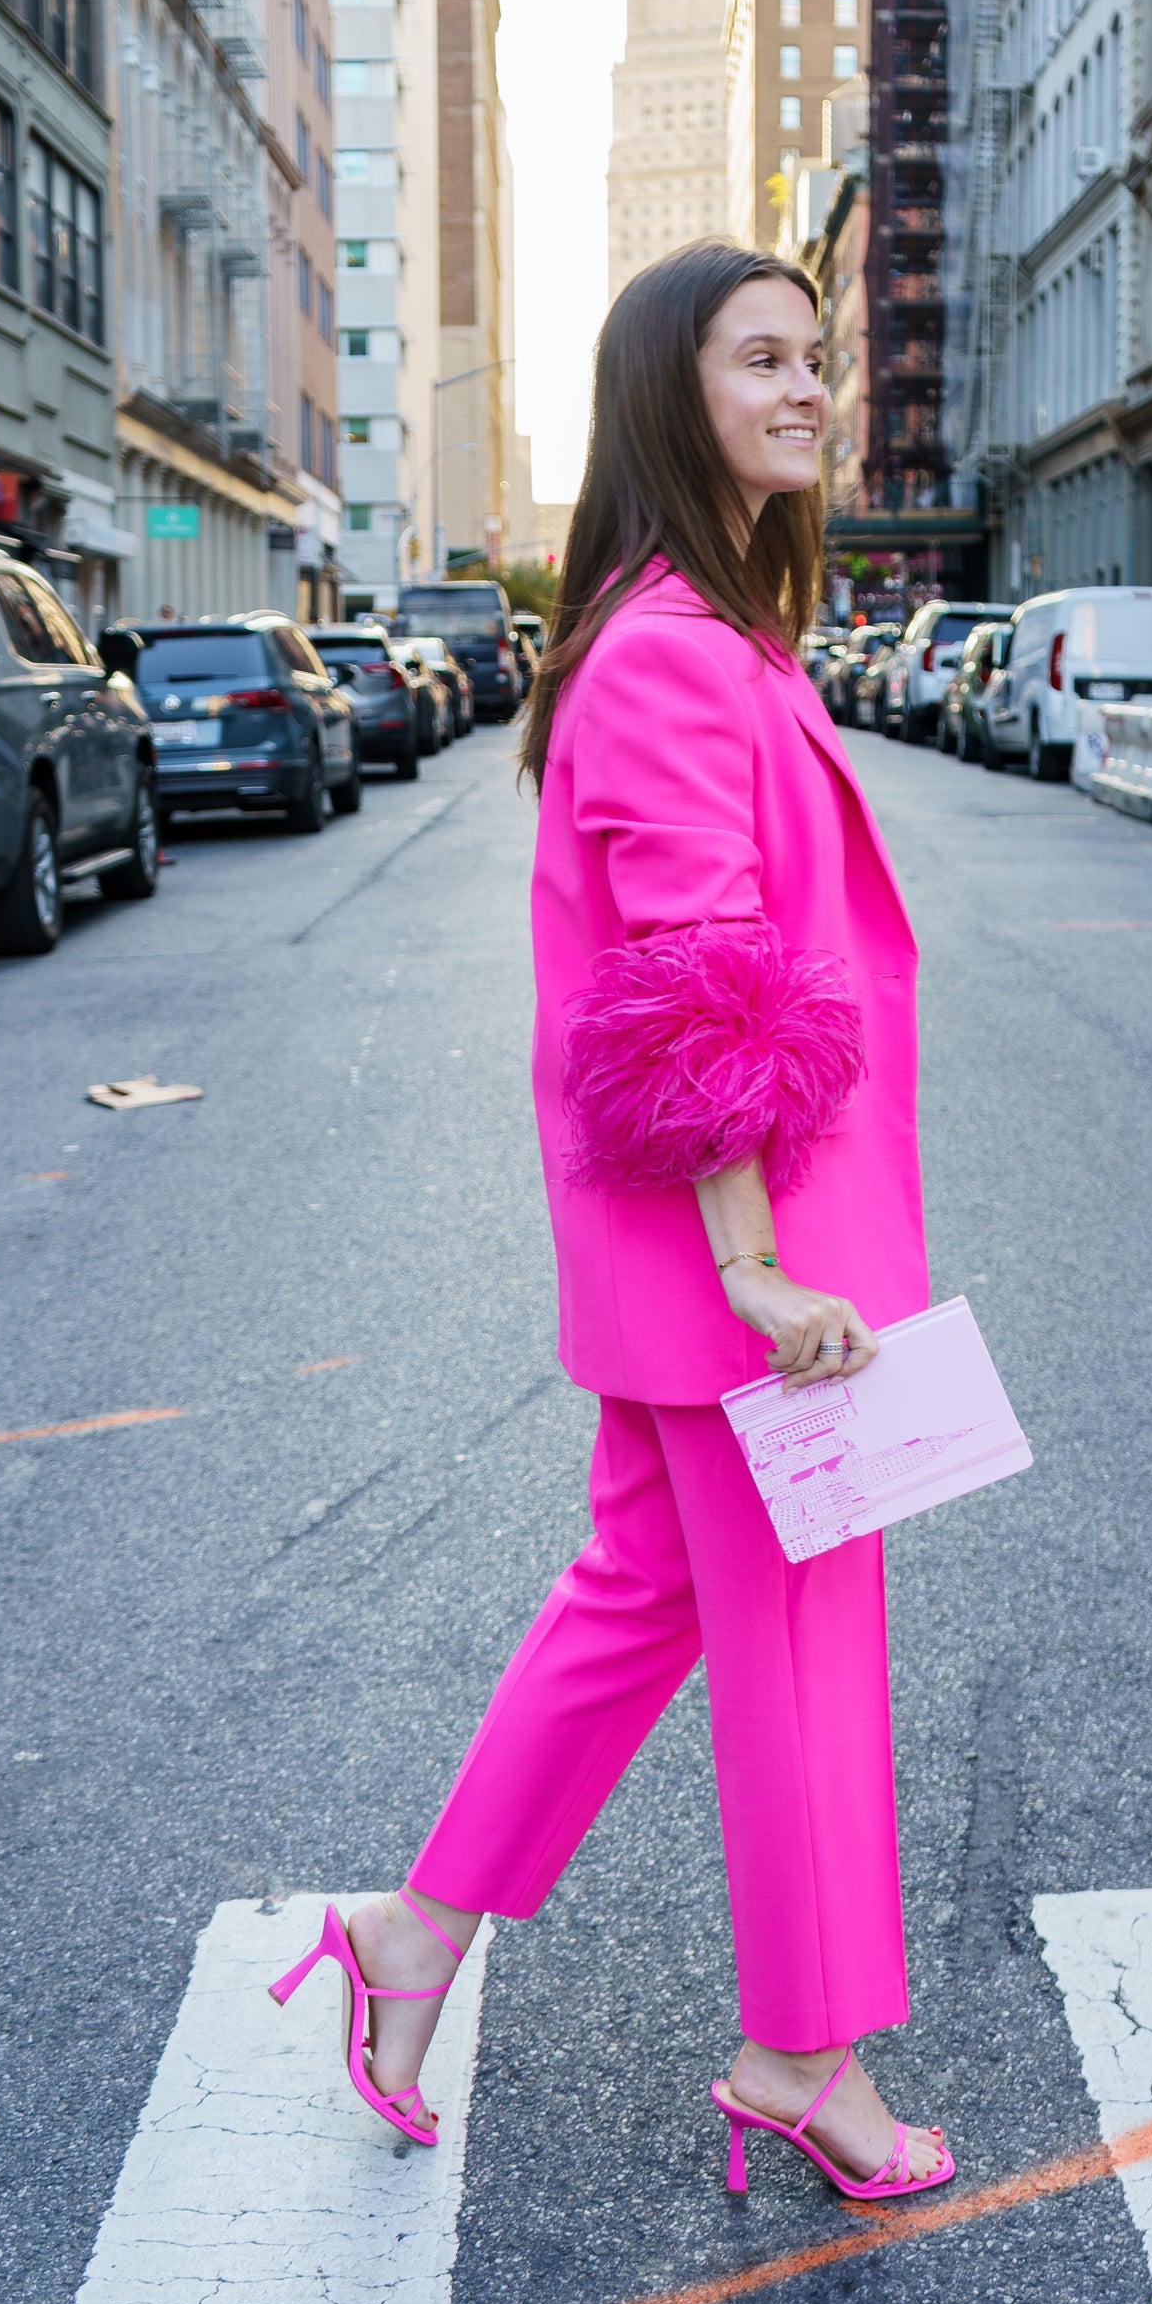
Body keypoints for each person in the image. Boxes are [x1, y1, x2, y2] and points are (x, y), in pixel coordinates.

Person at [270, 240, 951, 2202]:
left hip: (710, 1261)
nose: (810, 386)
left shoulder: (694, 632)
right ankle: (802, 2050)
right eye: (764, 359)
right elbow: (695, 974)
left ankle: (414, 1930)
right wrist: (755, 1263)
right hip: (746, 1266)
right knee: (802, 1638)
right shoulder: (667, 650)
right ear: (675, 392)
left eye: (816, 355)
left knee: (635, 1599)